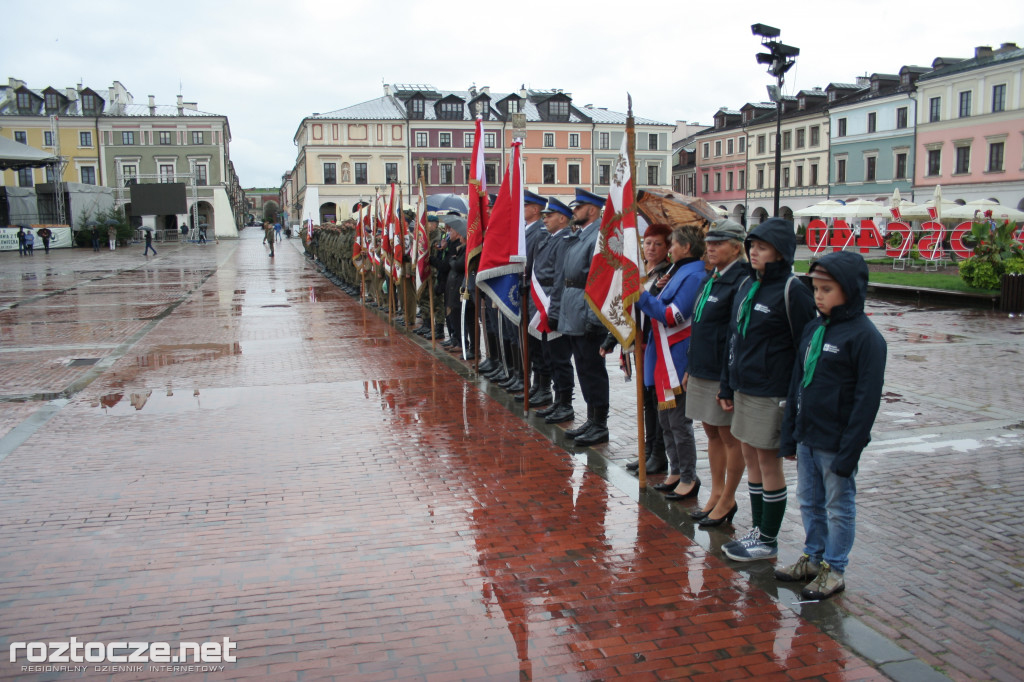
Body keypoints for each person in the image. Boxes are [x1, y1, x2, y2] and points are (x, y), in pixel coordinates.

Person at [774, 251, 887, 599]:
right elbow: (798, 383)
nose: (818, 296)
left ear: (850, 291)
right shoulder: (814, 328)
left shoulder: (866, 338)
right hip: (808, 436)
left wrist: (849, 451)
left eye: (826, 289)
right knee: (809, 500)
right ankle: (814, 556)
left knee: (838, 505)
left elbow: (866, 402)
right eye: (816, 289)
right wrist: (790, 434)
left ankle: (834, 568)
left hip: (836, 441)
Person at [718, 217, 817, 562]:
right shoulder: (748, 286)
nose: (753, 252)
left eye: (761, 247)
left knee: (767, 462)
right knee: (750, 458)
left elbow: (805, 347)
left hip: (772, 391)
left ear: (781, 252)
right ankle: (758, 530)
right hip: (746, 388)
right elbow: (735, 337)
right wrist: (727, 384)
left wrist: (794, 400)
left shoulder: (793, 291)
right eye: (752, 246)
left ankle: (768, 540)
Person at [683, 219, 750, 526]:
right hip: (702, 367)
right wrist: (689, 366)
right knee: (710, 430)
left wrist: (728, 379)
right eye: (709, 243)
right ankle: (716, 492)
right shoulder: (712, 277)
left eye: (718, 243)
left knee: (728, 435)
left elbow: (735, 334)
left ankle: (728, 498)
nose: (710, 248)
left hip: (721, 370)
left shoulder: (741, 280)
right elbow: (698, 325)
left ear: (736, 247)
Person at [636, 226, 707, 502]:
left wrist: (640, 296)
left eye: (673, 244)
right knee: (666, 419)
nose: (670, 248)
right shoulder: (677, 271)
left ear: (686, 248)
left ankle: (689, 476)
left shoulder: (694, 274)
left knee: (678, 421)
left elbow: (673, 316)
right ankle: (675, 470)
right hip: (662, 354)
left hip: (677, 356)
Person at [558, 188, 610, 446]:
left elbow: (598, 281)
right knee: (583, 368)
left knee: (592, 369)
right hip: (575, 308)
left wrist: (594, 318)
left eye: (578, 208)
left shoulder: (597, 238)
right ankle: (591, 420)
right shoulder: (580, 236)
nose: (573, 212)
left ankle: (600, 424)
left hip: (587, 311)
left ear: (592, 209)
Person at [620, 224, 673, 476]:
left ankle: (658, 454)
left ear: (668, 248)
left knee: (655, 402)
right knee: (644, 402)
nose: (651, 248)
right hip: (640, 344)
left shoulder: (667, 275)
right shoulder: (642, 272)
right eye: (647, 242)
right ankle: (648, 448)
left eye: (657, 244)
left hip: (655, 344)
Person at [531, 198, 577, 426]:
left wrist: (555, 308)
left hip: (554, 302)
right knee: (549, 353)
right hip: (545, 301)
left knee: (560, 357)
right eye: (545, 215)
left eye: (549, 215)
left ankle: (565, 402)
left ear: (563, 218)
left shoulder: (564, 240)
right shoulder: (550, 238)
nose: (545, 218)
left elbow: (559, 276)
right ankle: (557, 400)